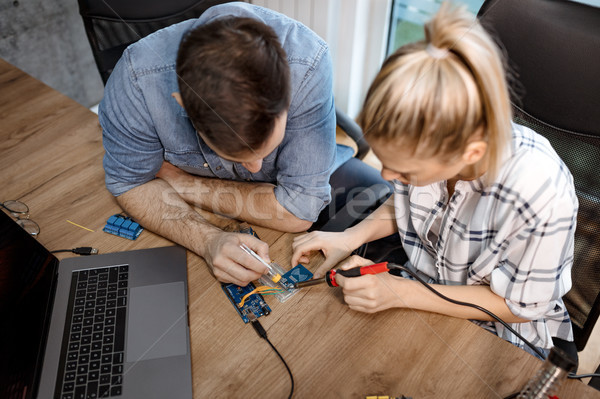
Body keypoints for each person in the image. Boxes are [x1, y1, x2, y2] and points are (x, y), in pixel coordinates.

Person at [291, 3, 577, 357]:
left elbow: (519, 309)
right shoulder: (435, 153)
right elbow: (405, 203)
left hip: (499, 337)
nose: (387, 177)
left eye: (406, 173)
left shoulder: (543, 195)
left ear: (469, 153)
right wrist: (350, 237)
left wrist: (399, 292)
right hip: (422, 292)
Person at [99, 3, 386, 287]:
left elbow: (299, 211)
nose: (257, 168)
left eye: (266, 150)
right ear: (183, 106)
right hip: (223, 217)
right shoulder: (136, 80)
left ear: (288, 93)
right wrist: (208, 240)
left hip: (243, 198)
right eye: (237, 156)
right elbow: (130, 184)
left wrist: (180, 182)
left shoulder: (307, 64)